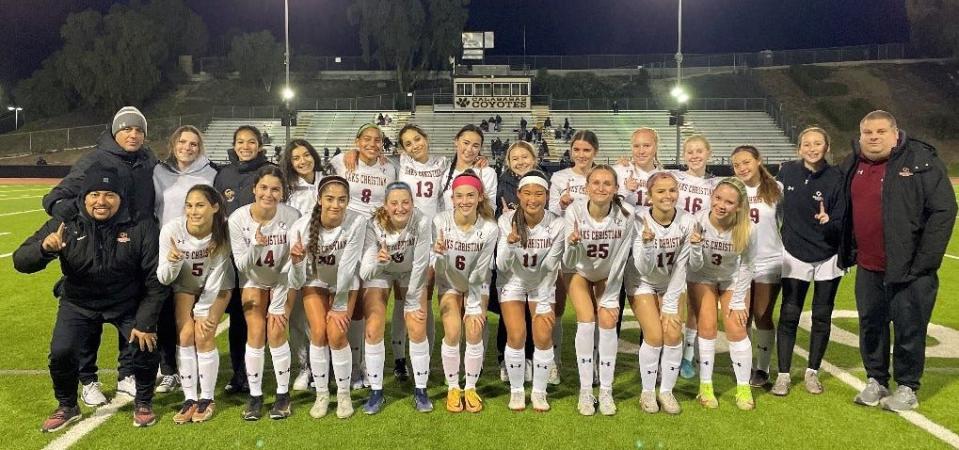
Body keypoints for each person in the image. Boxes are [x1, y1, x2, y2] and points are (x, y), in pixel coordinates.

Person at [15, 164, 167, 431]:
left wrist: (144, 321)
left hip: (126, 301)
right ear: (84, 197)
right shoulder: (65, 223)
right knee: (62, 352)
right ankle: (67, 405)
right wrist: (44, 249)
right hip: (79, 302)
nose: (101, 201)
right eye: (94, 194)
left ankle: (144, 401)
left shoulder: (140, 224)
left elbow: (156, 279)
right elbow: (20, 260)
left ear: (120, 198)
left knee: (146, 342)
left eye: (109, 195)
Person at [839, 110, 957, 411]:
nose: (874, 137)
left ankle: (907, 387)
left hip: (910, 268)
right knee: (871, 325)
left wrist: (926, 261)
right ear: (860, 135)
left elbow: (944, 210)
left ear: (895, 133)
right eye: (868, 132)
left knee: (909, 328)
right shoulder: (854, 162)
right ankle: (876, 379)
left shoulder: (920, 161)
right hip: (869, 265)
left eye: (880, 132)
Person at [41, 106, 155, 403]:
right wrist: (67, 214)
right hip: (98, 246)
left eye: (138, 130)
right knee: (88, 316)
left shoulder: (148, 160)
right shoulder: (95, 159)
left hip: (134, 244)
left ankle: (127, 373)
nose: (133, 134)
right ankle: (88, 378)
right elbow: (56, 196)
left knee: (129, 308)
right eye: (127, 129)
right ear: (115, 132)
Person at [771, 127, 846, 396]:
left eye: (818, 144)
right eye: (807, 144)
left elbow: (844, 215)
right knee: (789, 313)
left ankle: (812, 372)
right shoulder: (787, 172)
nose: (812, 148)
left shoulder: (838, 176)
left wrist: (831, 221)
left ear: (827, 147)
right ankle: (783, 375)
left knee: (822, 315)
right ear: (798, 148)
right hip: (794, 251)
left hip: (829, 254)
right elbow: (768, 201)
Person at [288, 175, 367, 419]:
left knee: (337, 333)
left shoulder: (357, 221)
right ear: (319, 199)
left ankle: (343, 395)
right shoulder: (300, 227)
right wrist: (298, 262)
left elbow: (348, 266)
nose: (336, 205)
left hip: (345, 282)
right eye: (330, 199)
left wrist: (340, 304)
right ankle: (322, 394)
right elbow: (297, 280)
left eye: (342, 199)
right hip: (315, 281)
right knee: (319, 334)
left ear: (348, 201)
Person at [228, 166, 302, 421]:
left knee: (277, 329)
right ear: (254, 189)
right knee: (256, 332)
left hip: (283, 278)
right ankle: (255, 396)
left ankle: (283, 395)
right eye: (264, 188)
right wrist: (257, 246)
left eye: (275, 189)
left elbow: (293, 262)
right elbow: (242, 266)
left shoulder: (293, 216)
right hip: (254, 278)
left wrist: (279, 303)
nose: (268, 194)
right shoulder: (238, 219)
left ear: (283, 193)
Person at [157, 185, 235, 423]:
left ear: (215, 207)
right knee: (186, 335)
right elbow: (164, 278)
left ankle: (207, 398)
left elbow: (218, 274)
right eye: (189, 205)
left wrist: (203, 310)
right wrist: (171, 262)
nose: (193, 211)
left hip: (218, 285)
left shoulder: (223, 230)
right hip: (185, 285)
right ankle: (190, 397)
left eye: (200, 205)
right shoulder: (172, 230)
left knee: (204, 333)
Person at [329, 123, 398, 390]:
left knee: (373, 299)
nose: (372, 143)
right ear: (357, 141)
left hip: (375, 236)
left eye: (377, 140)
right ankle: (353, 365)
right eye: (366, 139)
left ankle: (368, 366)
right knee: (350, 301)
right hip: (346, 236)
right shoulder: (340, 161)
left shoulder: (388, 168)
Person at [152, 125, 219, 394]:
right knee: (166, 314)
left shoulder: (211, 172)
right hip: (168, 247)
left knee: (198, 316)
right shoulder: (159, 171)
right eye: (182, 142)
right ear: (173, 143)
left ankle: (198, 369)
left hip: (202, 250)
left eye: (193, 143)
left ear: (199, 147)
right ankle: (169, 370)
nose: (187, 147)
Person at [564, 165, 635, 416]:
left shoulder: (627, 214)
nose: (601, 188)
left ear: (616, 188)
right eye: (596, 183)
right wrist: (572, 245)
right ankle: (586, 391)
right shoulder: (573, 210)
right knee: (586, 322)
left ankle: (605, 390)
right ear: (587, 187)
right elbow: (568, 259)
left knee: (606, 320)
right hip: (579, 271)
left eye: (607, 183)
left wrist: (612, 297)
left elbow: (621, 259)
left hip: (609, 274)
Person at [359, 182, 433, 413]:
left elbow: (421, 264)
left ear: (412, 202)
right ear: (385, 205)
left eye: (405, 202)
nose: (400, 208)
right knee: (373, 327)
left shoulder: (422, 221)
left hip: (410, 272)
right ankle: (376, 391)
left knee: (417, 325)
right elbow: (365, 272)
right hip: (381, 272)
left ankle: (421, 391)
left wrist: (411, 301)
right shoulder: (373, 224)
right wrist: (380, 261)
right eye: (394, 203)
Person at [496, 171, 565, 412]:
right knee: (516, 335)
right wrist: (510, 244)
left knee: (544, 336)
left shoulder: (557, 223)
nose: (532, 199)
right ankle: (516, 391)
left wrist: (544, 301)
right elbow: (501, 266)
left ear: (547, 196)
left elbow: (550, 267)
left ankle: (539, 391)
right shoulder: (506, 221)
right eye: (527, 193)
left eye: (538, 193)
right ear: (518, 194)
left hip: (542, 283)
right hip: (512, 281)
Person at [687, 177, 757, 411]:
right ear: (711, 196)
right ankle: (705, 386)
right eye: (717, 198)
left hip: (731, 279)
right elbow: (694, 266)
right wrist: (696, 247)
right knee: (706, 326)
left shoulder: (747, 227)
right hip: (702, 276)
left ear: (738, 206)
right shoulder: (697, 220)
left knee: (737, 328)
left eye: (729, 202)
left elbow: (748, 265)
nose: (721, 205)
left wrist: (738, 302)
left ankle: (743, 387)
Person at [213, 125, 273, 395]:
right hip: (232, 258)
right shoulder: (223, 174)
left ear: (259, 146)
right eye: (240, 142)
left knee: (263, 316)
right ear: (234, 144)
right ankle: (240, 373)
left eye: (251, 142)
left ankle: (262, 370)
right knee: (239, 317)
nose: (245, 147)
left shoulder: (270, 170)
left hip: (264, 257)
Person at [630, 172, 696, 415]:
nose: (667, 196)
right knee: (655, 335)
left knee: (673, 333)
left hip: (671, 282)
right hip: (642, 281)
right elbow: (642, 267)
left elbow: (682, 265)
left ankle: (666, 391)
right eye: (660, 191)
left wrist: (670, 304)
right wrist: (647, 244)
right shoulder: (639, 220)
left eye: (672, 190)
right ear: (649, 196)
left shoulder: (687, 221)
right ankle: (647, 391)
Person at [433, 171, 499, 413]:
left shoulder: (489, 228)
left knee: (474, 330)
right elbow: (438, 267)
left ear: (480, 197)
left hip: (476, 284)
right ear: (452, 198)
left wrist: (473, 305)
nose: (464, 201)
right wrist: (438, 255)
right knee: (452, 332)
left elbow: (482, 270)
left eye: (470, 195)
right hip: (449, 282)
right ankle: (453, 387)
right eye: (459, 196)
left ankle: (470, 386)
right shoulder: (440, 221)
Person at [494, 142, 550, 384]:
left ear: (534, 158)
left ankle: (530, 356)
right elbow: (500, 214)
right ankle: (505, 360)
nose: (520, 161)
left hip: (538, 254)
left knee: (534, 311)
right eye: (514, 158)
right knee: (510, 311)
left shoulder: (544, 180)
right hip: (512, 250)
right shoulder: (502, 183)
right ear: (508, 161)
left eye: (524, 157)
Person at [731, 145, 783, 388]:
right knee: (742, 317)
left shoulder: (777, 190)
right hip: (739, 263)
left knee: (762, 315)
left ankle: (762, 368)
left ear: (758, 160)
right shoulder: (733, 191)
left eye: (746, 162)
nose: (742, 168)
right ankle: (745, 365)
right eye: (736, 165)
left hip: (769, 261)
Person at [279, 139, 326, 392]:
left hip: (328, 257)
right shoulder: (286, 188)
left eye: (306, 155)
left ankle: (328, 366)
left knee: (326, 316)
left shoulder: (329, 178)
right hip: (296, 258)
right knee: (298, 317)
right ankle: (304, 367)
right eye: (296, 158)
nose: (303, 161)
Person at [672, 135, 717, 379]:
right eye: (689, 151)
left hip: (702, 247)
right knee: (674, 302)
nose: (694, 155)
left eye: (699, 150)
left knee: (693, 304)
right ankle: (672, 350)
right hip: (675, 246)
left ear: (709, 153)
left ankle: (687, 356)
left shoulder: (716, 183)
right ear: (683, 155)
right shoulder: (675, 177)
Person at [439, 125, 497, 212]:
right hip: (448, 224)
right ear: (456, 141)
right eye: (466, 143)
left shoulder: (487, 173)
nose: (469, 149)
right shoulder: (444, 171)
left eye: (475, 146)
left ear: (480, 148)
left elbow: (491, 209)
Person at [615, 128, 661, 207]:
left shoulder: (665, 178)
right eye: (636, 146)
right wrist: (625, 191)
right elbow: (606, 209)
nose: (641, 151)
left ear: (656, 147)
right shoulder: (618, 171)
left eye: (646, 146)